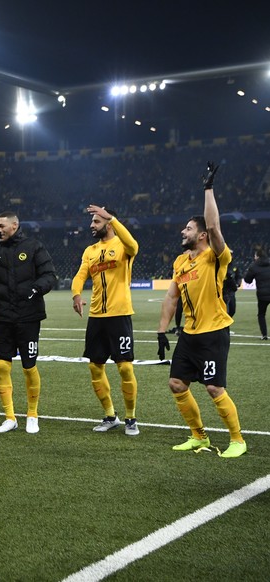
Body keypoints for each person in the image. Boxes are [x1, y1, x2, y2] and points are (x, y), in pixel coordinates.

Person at [156, 162, 246, 458]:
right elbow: (171, 298)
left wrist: (208, 188)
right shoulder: (181, 262)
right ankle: (199, 437)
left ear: (203, 235)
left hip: (213, 332)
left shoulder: (215, 257)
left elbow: (215, 226)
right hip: (189, 334)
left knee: (213, 388)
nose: (184, 231)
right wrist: (161, 330)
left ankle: (237, 440)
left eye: (189, 228)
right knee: (176, 383)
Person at [0, 211, 57, 434]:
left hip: (29, 316)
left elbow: (49, 275)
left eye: (2, 226)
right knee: (3, 365)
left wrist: (36, 288)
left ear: (14, 225)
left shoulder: (33, 246)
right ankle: (10, 417)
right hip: (3, 315)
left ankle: (32, 415)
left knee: (29, 366)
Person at [71, 205, 140, 436]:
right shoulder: (90, 250)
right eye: (92, 222)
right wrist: (76, 294)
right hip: (97, 317)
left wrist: (112, 216)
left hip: (119, 315)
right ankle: (111, 416)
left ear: (108, 223)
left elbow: (134, 245)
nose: (92, 225)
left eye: (96, 222)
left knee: (125, 367)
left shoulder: (122, 246)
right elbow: (81, 274)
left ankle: (131, 418)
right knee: (94, 365)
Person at [243, 246, 270, 340]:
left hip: (262, 295)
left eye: (255, 255)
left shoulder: (254, 266)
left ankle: (264, 335)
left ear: (257, 256)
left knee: (261, 314)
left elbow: (247, 280)